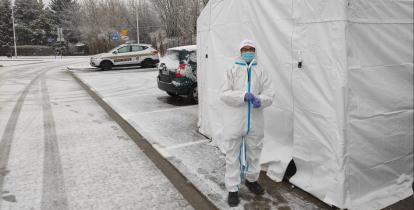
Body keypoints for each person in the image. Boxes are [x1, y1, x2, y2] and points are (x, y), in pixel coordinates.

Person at [221, 39, 275, 207]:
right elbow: (223, 93)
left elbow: (270, 93)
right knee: (232, 155)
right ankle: (232, 189)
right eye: (245, 49)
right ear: (240, 51)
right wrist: (243, 96)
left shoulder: (261, 70)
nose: (248, 51)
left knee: (254, 153)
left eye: (251, 49)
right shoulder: (231, 69)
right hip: (235, 121)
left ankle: (251, 180)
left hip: (256, 121)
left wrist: (261, 100)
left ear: (255, 51)